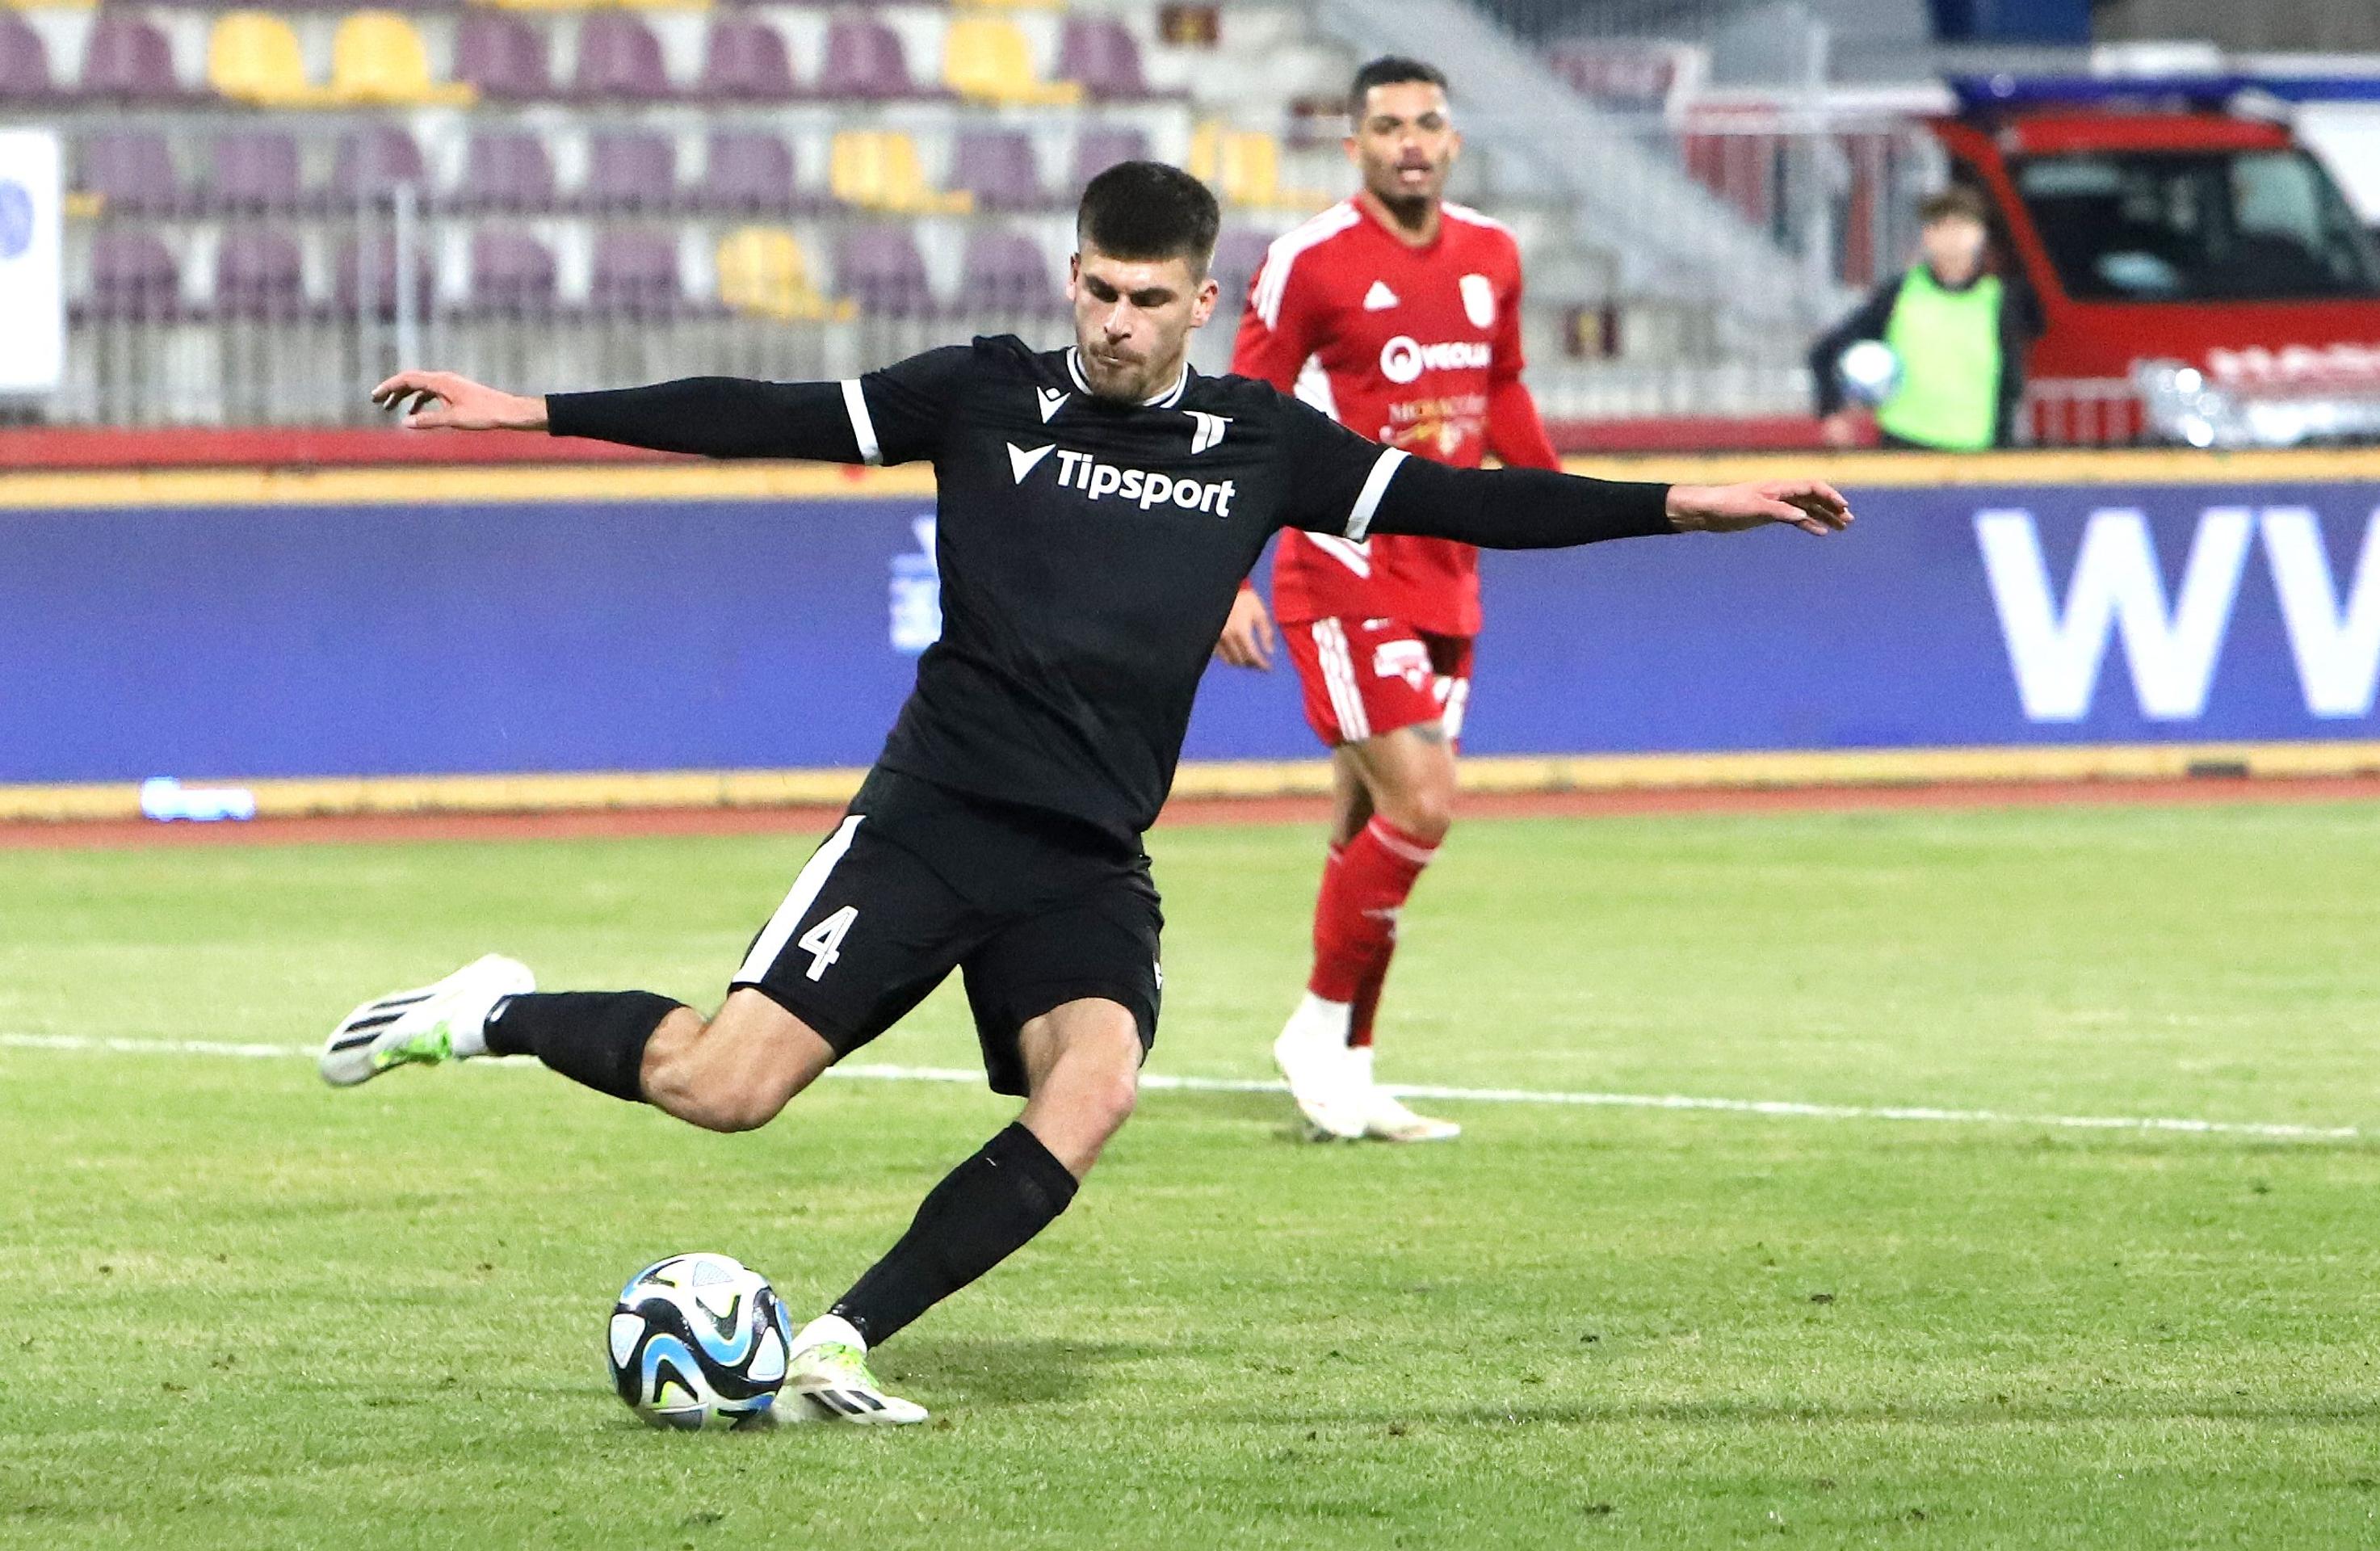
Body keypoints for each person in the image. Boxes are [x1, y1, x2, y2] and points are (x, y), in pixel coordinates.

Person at [323, 162, 1852, 1425]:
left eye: (1145, 300)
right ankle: (489, 1011)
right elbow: (767, 408)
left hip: (1083, 856)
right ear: (1072, 281)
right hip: (933, 818)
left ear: (1204, 303)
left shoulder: (1259, 442)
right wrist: (532, 408)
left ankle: (839, 1342)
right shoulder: (982, 396)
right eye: (1094, 291)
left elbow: (1476, 500)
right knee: (725, 1090)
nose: (1114, 324)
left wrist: (1687, 506)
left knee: (1096, 1088)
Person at [1215, 55, 1562, 1143]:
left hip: (1446, 568)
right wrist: (1226, 573)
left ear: (1450, 140)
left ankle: (1350, 1071)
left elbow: (1496, 384)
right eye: (1386, 125)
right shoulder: (1307, 264)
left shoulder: (1491, 253)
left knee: (1369, 817)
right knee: (1422, 803)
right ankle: (1314, 1028)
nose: (1408, 141)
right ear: (1353, 144)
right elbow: (1242, 424)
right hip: (1341, 561)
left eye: (1426, 123)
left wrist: (1557, 498)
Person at [1811, 184, 2042, 451]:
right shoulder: (1901, 294)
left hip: (1976, 454)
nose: (1952, 238)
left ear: (1980, 235)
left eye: (1962, 227)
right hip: (1904, 448)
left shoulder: (1999, 300)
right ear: (1927, 235)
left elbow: (2010, 383)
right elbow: (1826, 350)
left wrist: (2003, 451)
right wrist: (1832, 411)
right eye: (1942, 227)